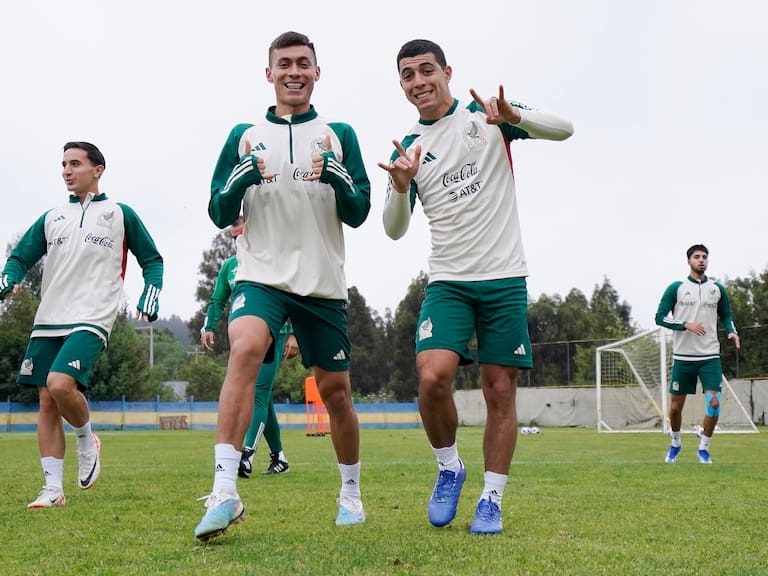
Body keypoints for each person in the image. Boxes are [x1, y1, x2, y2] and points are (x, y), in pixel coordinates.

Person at [379, 39, 573, 534]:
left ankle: (491, 498)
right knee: (431, 376)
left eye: (426, 70)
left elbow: (565, 129)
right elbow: (393, 228)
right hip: (448, 280)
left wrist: (516, 117)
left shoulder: (487, 115)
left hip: (504, 277)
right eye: (408, 75)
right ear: (401, 84)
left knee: (499, 391)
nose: (419, 81)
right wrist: (402, 186)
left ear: (447, 71)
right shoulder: (408, 148)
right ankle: (449, 468)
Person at [194, 31, 371, 541]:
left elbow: (358, 213)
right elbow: (218, 210)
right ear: (268, 73)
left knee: (336, 394)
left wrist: (337, 176)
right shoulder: (245, 134)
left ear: (318, 72)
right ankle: (225, 492)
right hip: (261, 274)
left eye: (303, 64)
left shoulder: (339, 132)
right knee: (244, 351)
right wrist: (240, 178)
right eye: (284, 64)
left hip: (322, 284)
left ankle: (351, 494)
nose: (294, 72)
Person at [0, 141, 163, 509]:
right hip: (49, 317)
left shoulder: (120, 214)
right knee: (46, 398)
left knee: (60, 384)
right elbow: (21, 257)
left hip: (93, 314)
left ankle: (86, 437)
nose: (67, 171)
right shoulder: (52, 216)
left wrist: (150, 293)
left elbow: (152, 259)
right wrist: (8, 278)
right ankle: (52, 490)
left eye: (75, 163)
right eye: (63, 164)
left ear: (98, 169)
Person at [200, 220, 299, 477]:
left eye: (241, 234)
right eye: (234, 238)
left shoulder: (271, 261)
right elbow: (218, 299)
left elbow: (294, 296)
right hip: (244, 339)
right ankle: (279, 457)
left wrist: (294, 334)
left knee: (258, 392)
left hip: (274, 335)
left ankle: (246, 454)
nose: (238, 241)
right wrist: (208, 326)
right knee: (263, 400)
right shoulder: (230, 267)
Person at [655, 244, 740, 465]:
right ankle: (675, 443)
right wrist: (685, 325)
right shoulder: (677, 287)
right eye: (696, 257)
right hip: (683, 357)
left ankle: (704, 448)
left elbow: (726, 315)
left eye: (704, 257)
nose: (701, 260)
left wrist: (732, 332)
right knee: (675, 407)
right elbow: (660, 317)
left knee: (714, 403)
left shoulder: (717, 289)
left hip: (710, 356)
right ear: (689, 261)